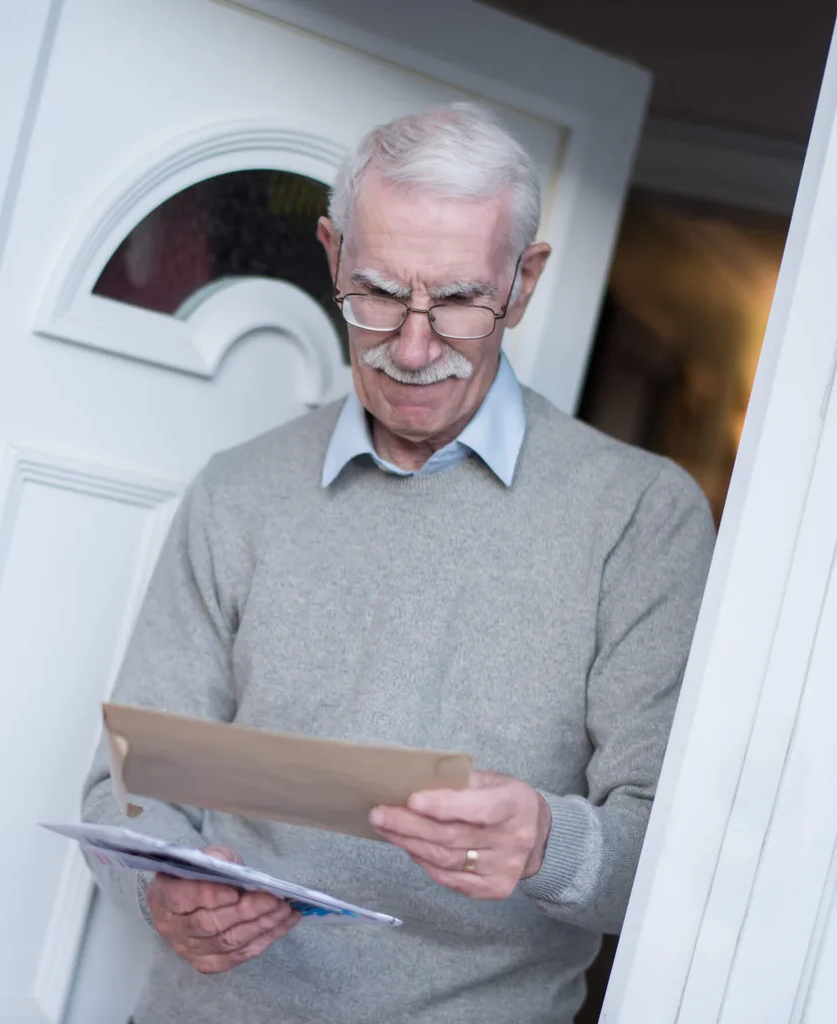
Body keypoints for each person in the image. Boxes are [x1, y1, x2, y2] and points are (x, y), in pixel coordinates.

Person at [82, 102, 715, 1023]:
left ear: (525, 281)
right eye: (377, 294)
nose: (414, 349)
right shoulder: (237, 492)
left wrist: (548, 844)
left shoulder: (642, 518)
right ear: (334, 256)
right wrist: (159, 889)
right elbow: (127, 784)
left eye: (460, 301)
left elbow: (671, 858)